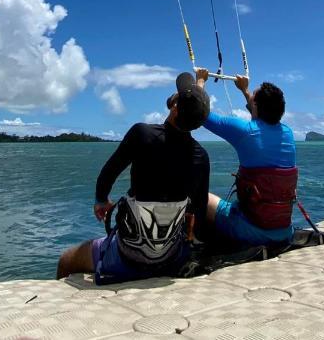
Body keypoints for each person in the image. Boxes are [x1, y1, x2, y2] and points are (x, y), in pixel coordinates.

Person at [57, 73, 210, 284]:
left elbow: (107, 174)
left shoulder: (142, 134)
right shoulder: (201, 157)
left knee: (66, 260)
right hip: (171, 257)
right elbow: (198, 211)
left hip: (126, 256)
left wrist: (101, 200)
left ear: (174, 108)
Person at [195, 69, 297, 250]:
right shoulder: (288, 134)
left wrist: (200, 81)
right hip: (284, 231)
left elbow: (199, 112)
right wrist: (245, 90)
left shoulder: (244, 131)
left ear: (256, 106)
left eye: (252, 99)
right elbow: (261, 114)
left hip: (252, 231)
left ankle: (198, 244)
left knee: (198, 197)